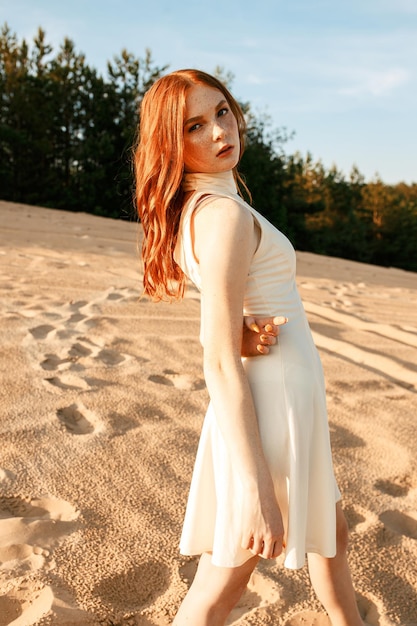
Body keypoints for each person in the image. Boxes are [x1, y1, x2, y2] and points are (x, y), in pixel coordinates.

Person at [134, 69, 364, 626]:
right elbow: (215, 355)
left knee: (330, 535)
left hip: (289, 404)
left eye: (222, 112)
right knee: (220, 585)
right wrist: (255, 483)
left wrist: (237, 332)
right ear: (172, 142)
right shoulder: (224, 216)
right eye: (195, 126)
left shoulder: (209, 208)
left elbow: (223, 322)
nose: (219, 131)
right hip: (269, 416)